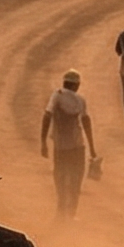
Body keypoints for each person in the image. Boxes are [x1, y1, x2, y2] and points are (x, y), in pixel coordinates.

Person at [39, 70, 97, 218]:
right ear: (77, 85)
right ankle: (71, 213)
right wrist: (92, 147)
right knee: (76, 181)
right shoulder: (80, 100)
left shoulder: (57, 96)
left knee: (60, 177)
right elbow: (86, 122)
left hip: (61, 147)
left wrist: (43, 141)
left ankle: (60, 210)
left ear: (64, 82)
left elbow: (47, 116)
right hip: (78, 146)